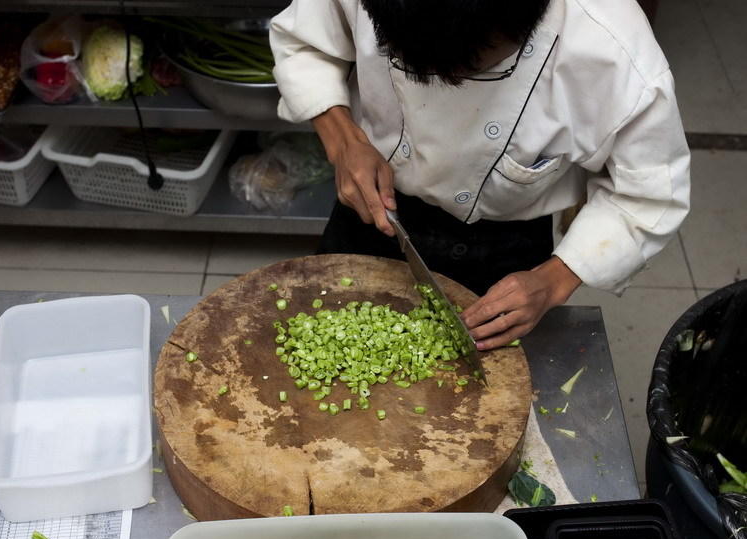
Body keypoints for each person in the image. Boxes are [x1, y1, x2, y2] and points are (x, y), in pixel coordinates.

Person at [269, 0, 690, 350]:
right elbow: (304, 44)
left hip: (506, 247)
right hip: (374, 205)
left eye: (471, 71)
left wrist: (555, 280)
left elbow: (648, 195)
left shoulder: (615, 48)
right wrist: (344, 141)